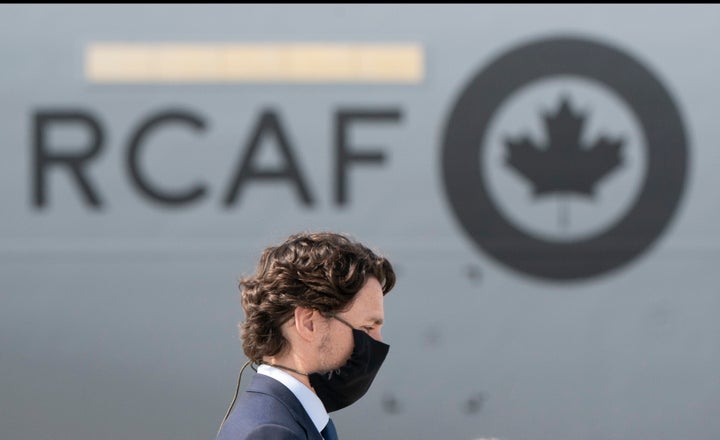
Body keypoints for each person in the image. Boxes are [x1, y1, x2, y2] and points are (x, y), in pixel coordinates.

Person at [216, 231, 396, 440]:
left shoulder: (293, 420)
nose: (378, 342)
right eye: (367, 328)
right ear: (308, 323)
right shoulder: (271, 433)